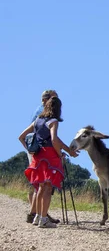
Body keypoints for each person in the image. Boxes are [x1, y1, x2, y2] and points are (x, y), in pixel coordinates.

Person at [18, 96, 79, 228]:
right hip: (50, 157)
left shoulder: (38, 121)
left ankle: (38, 217)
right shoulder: (53, 121)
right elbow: (54, 140)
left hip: (38, 156)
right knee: (48, 187)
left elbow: (21, 137)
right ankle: (44, 219)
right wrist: (61, 153)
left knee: (40, 187)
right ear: (58, 109)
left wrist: (30, 150)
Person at [25, 90, 60, 224]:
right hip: (44, 150)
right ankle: (40, 214)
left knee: (39, 184)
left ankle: (35, 214)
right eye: (54, 99)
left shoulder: (38, 111)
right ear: (48, 100)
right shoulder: (46, 113)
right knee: (45, 184)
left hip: (35, 148)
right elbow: (52, 137)